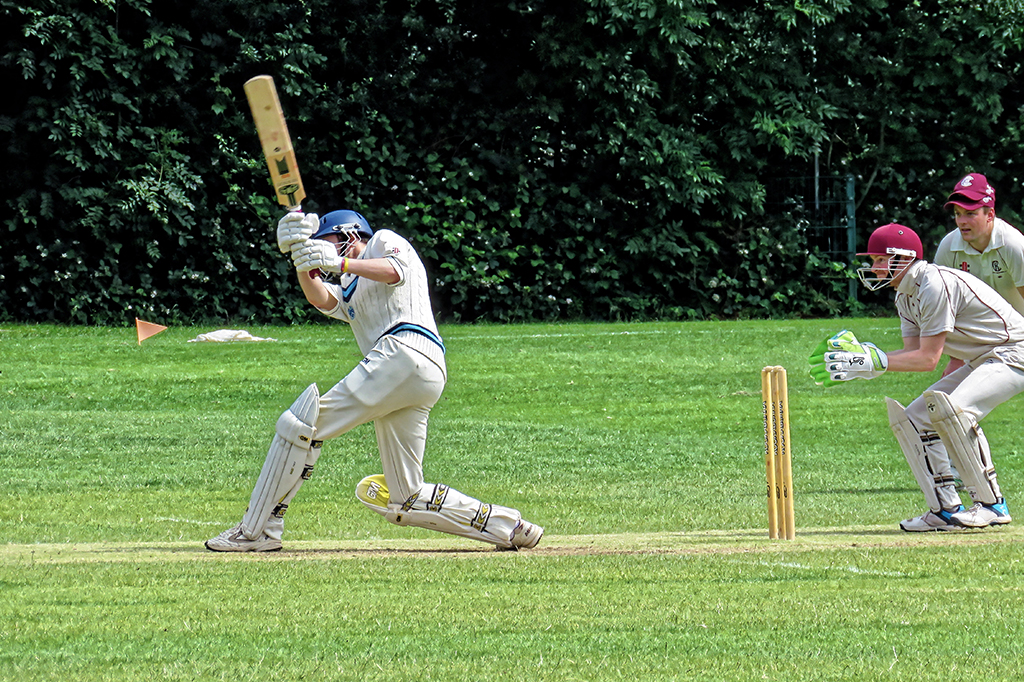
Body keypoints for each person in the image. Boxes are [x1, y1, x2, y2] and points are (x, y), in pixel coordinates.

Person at [206, 209, 544, 552]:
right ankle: (509, 526)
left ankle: (257, 530)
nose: (326, 253)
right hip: (413, 376)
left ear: (351, 234)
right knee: (405, 498)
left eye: (328, 244)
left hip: (404, 351)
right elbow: (320, 296)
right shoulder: (350, 287)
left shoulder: (382, 241)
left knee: (300, 426)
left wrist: (341, 264)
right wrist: (300, 258)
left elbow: (393, 271)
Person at [809, 222, 1024, 531]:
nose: (875, 268)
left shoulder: (933, 285)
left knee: (956, 411)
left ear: (904, 257)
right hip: (983, 359)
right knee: (914, 418)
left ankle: (992, 505)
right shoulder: (905, 296)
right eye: (873, 261)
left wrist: (874, 361)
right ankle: (945, 510)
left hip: (1014, 352)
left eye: (881, 260)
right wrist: (865, 362)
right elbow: (912, 352)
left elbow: (928, 359)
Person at [934, 173, 1024, 375]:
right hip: (978, 337)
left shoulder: (1012, 244)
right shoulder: (948, 247)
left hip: (1020, 335)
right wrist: (956, 358)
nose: (962, 221)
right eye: (958, 214)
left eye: (970, 214)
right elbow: (945, 307)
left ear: (990, 215)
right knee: (954, 389)